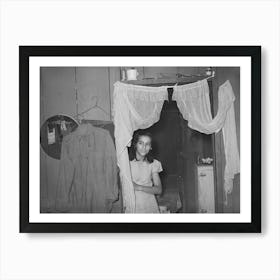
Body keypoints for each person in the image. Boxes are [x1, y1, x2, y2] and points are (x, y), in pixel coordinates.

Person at [129, 130, 163, 213]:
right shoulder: (126, 163)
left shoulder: (153, 164)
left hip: (149, 205)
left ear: (151, 147)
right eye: (141, 143)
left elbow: (159, 189)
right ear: (135, 145)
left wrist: (138, 187)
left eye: (147, 144)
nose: (144, 147)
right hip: (132, 206)